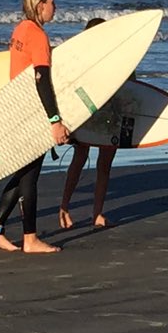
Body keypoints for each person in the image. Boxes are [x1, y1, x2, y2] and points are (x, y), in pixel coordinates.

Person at [0, 0, 69, 254]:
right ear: (40, 5)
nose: (55, 7)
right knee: (29, 177)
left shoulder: (20, 29)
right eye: (52, 2)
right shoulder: (38, 35)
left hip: (17, 108)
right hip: (32, 112)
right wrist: (55, 120)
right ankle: (30, 239)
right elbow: (41, 80)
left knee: (23, 173)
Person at [58, 17, 125, 230]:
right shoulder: (81, 59)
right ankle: (64, 208)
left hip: (111, 115)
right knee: (80, 157)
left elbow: (130, 86)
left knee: (104, 164)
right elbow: (71, 86)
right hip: (86, 114)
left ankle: (97, 213)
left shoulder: (120, 56)